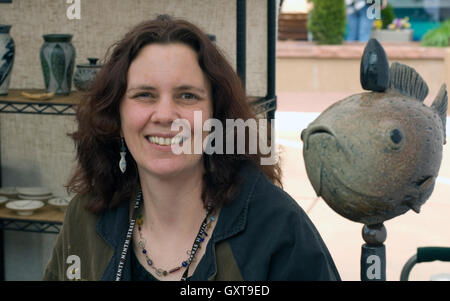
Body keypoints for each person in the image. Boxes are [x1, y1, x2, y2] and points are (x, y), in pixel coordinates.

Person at [43, 15, 340, 281]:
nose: (164, 115)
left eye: (187, 96)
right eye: (144, 94)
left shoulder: (278, 229)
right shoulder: (86, 217)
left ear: (216, 117)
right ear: (116, 118)